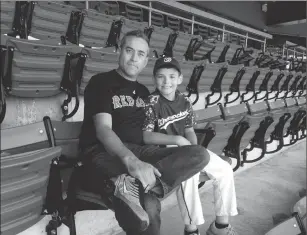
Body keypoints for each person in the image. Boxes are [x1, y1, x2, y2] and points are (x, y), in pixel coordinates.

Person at [78, 30, 210, 235]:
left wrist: (175, 141)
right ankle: (137, 186)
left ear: (146, 60)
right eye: (129, 50)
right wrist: (133, 162)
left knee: (199, 154)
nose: (134, 58)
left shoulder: (143, 93)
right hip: (103, 152)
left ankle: (135, 185)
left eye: (140, 54)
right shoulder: (101, 82)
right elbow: (103, 130)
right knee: (149, 206)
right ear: (119, 51)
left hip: (142, 151)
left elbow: (149, 133)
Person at [142, 56, 239, 235]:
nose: (166, 81)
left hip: (187, 149)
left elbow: (189, 130)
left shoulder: (184, 101)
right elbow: (146, 136)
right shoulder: (151, 102)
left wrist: (193, 149)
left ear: (179, 79)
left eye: (172, 76)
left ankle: (221, 226)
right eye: (161, 76)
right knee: (190, 176)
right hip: (165, 155)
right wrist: (176, 141)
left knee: (225, 169)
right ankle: (191, 229)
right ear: (155, 79)